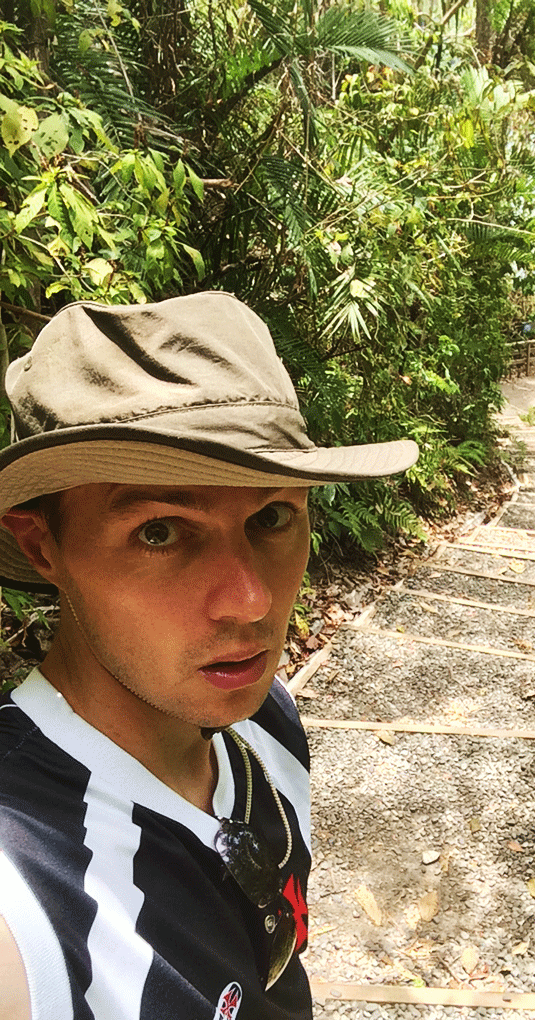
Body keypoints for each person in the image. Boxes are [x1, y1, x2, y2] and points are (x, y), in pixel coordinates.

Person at [0, 292, 418, 1020]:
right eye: (161, 530)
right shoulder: (30, 875)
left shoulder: (266, 724)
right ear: (43, 545)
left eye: (272, 516)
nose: (250, 601)